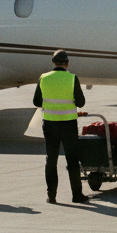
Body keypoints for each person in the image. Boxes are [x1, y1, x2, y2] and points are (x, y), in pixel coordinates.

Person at [33, 50, 89, 204]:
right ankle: (77, 195)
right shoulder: (72, 78)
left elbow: (37, 102)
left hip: (50, 124)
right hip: (68, 124)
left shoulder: (43, 78)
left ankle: (51, 195)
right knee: (72, 160)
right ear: (67, 63)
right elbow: (81, 102)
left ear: (53, 62)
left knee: (51, 160)